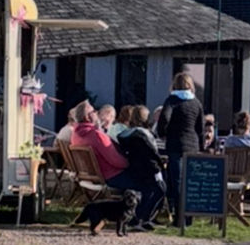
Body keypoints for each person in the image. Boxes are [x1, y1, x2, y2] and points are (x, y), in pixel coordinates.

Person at [71, 100, 158, 230]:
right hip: (112, 175)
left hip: (95, 175)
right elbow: (117, 161)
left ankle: (133, 218)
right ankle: (136, 220)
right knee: (149, 184)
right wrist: (130, 162)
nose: (97, 113)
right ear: (88, 117)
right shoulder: (96, 135)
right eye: (94, 111)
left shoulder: (76, 134)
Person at [157, 72, 204, 226]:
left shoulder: (172, 100)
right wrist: (202, 146)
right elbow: (200, 128)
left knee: (177, 181)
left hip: (175, 144)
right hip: (192, 145)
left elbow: (164, 118)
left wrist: (162, 133)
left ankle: (179, 218)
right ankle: (189, 217)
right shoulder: (196, 103)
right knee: (189, 181)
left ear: (175, 85)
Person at [117, 105, 166, 225]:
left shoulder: (126, 134)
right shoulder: (144, 135)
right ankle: (142, 218)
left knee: (148, 191)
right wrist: (161, 163)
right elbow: (151, 153)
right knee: (161, 190)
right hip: (150, 169)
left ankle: (140, 218)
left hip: (135, 169)